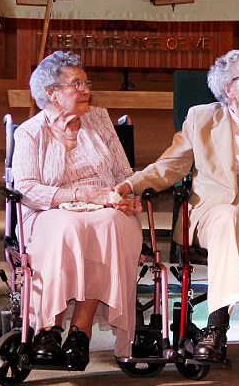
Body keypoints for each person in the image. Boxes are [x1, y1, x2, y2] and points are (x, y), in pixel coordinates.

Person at [115, 49, 239, 364]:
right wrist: (132, 185)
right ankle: (217, 324)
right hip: (215, 212)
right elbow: (170, 166)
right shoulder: (201, 118)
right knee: (227, 216)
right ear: (228, 89)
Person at [12, 51, 143, 370]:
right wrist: (81, 195)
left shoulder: (99, 119)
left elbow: (125, 174)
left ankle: (79, 334)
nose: (86, 90)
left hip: (107, 209)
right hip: (48, 211)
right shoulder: (30, 132)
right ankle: (48, 329)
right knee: (66, 227)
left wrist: (126, 193)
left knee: (109, 223)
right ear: (51, 93)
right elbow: (27, 188)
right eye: (76, 84)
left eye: (86, 83)